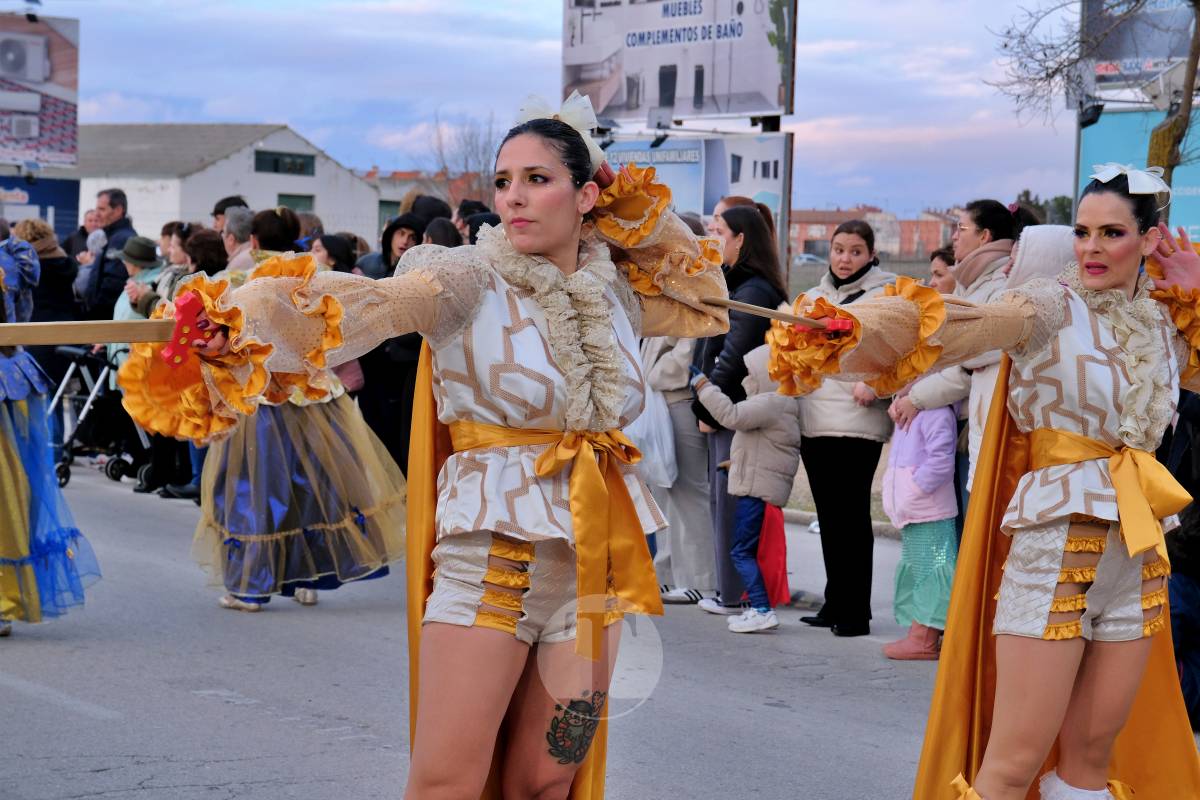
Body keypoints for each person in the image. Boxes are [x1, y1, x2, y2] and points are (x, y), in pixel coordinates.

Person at [124, 92, 727, 798]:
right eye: (504, 181)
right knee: (446, 784)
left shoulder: (616, 295)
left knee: (546, 782)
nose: (514, 198)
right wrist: (241, 321)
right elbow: (357, 302)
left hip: (597, 572)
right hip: (492, 567)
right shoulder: (462, 276)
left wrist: (631, 205)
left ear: (588, 192)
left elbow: (704, 297)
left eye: (539, 178)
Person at [768, 164, 1200, 799]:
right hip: (1057, 545)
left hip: (1138, 554)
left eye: (1112, 233)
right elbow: (961, 324)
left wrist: (1195, 294)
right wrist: (858, 329)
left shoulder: (1164, 326)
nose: (1092, 248)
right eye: (1082, 231)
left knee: (1092, 756)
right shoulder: (1050, 304)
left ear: (1149, 238)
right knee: (1013, 761)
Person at [120, 204, 406, 612]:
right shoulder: (310, 277)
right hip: (316, 394)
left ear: (251, 240)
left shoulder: (239, 281)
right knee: (315, 484)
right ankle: (310, 577)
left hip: (260, 395)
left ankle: (251, 585)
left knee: (250, 489)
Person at [893, 200, 1039, 493]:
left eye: (961, 228)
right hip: (971, 416)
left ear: (984, 236)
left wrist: (918, 395)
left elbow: (971, 358)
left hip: (989, 418)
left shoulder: (1003, 286)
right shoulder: (972, 284)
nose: (955, 236)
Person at [795, 219, 896, 637]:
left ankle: (855, 612)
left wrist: (874, 384)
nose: (844, 258)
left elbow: (900, 353)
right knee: (829, 517)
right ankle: (835, 600)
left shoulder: (885, 296)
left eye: (855, 251)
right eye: (838, 249)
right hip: (815, 418)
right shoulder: (813, 296)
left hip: (857, 423)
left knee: (852, 519)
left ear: (871, 255)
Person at [0, 245, 101, 638]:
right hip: (11, 370)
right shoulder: (13, 260)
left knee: (8, 487)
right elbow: (22, 317)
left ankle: (5, 598)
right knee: (13, 486)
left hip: (7, 375)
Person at [692, 203, 787, 616]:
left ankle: (734, 595)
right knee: (721, 502)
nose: (714, 238)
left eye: (720, 231)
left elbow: (732, 358)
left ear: (741, 239)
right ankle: (728, 590)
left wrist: (709, 407)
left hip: (734, 409)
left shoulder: (754, 291)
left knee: (730, 505)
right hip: (724, 405)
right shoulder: (736, 283)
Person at [692, 343, 801, 633]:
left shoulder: (772, 402)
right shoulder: (781, 403)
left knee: (741, 551)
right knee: (751, 552)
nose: (744, 380)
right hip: (759, 489)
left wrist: (704, 386)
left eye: (750, 373)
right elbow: (762, 449)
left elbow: (731, 416)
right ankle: (758, 607)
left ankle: (762, 609)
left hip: (757, 494)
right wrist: (734, 464)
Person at [880, 383, 958, 660]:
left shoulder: (937, 412)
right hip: (912, 508)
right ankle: (918, 631)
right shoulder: (906, 413)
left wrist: (915, 489)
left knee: (933, 569)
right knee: (917, 569)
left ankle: (925, 638)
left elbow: (940, 461)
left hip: (929, 508)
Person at [82, 188, 137, 319]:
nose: (96, 215)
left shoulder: (122, 239)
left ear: (118, 210)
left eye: (102, 209)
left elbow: (113, 283)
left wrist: (95, 311)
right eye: (96, 209)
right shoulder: (112, 236)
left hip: (106, 319)